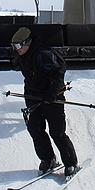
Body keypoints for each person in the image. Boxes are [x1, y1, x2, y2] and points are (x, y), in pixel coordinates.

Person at [11, 26, 78, 176]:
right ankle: (48, 159)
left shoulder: (44, 54)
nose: (16, 49)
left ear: (28, 42)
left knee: (57, 132)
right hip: (33, 97)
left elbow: (59, 73)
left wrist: (52, 93)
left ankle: (71, 163)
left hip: (51, 98)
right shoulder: (22, 55)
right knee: (35, 129)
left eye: (18, 46)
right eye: (13, 46)